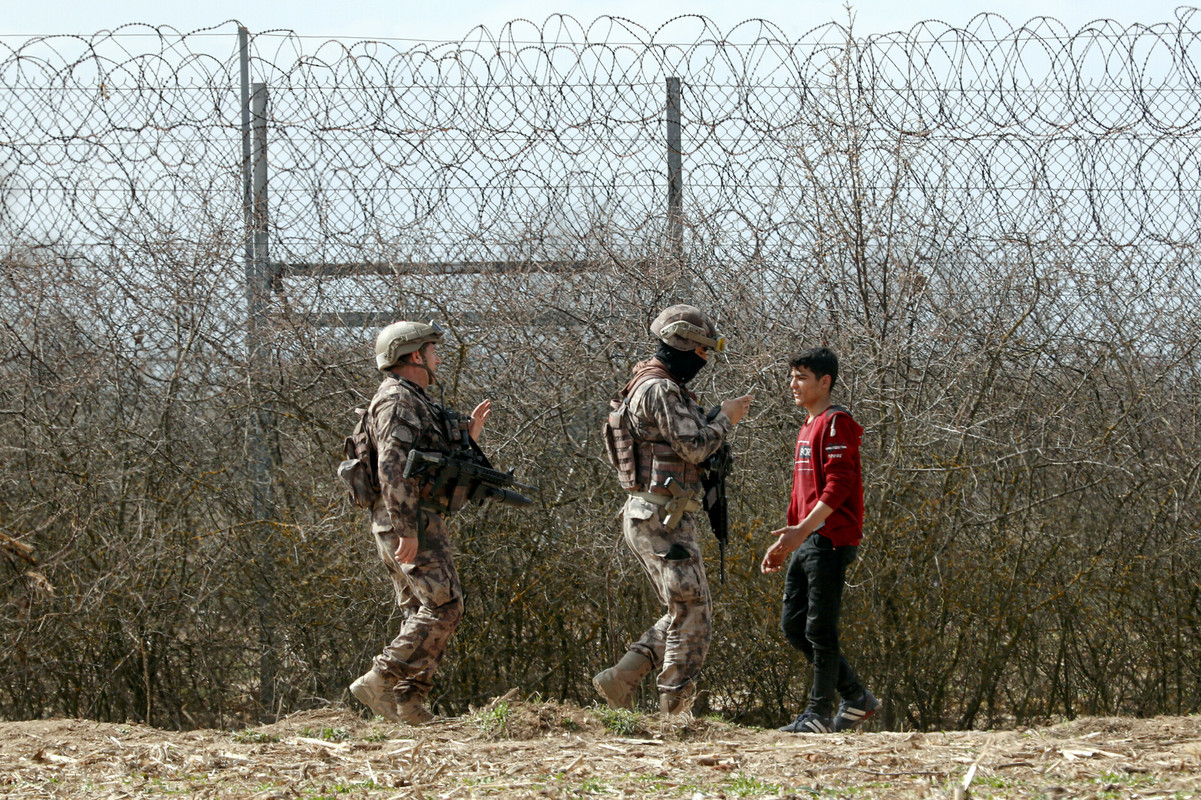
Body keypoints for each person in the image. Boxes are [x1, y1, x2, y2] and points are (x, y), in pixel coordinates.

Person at [595, 304, 754, 715]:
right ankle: (674, 711)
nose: (703, 361)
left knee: (684, 608)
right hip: (660, 517)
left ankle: (623, 679)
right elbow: (695, 446)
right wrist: (727, 420)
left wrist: (714, 416)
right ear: (683, 345)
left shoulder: (652, 384)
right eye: (701, 352)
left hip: (660, 515)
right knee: (693, 612)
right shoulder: (660, 389)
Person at [348, 320, 491, 725]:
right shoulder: (397, 401)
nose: (437, 358)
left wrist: (470, 435)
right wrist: (407, 529)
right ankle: (380, 678)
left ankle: (407, 705)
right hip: (410, 518)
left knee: (419, 611)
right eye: (431, 351)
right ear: (413, 356)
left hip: (407, 516)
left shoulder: (411, 398)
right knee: (444, 607)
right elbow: (391, 468)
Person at [761, 347, 880, 733]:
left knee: (820, 630)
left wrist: (802, 531)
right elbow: (804, 495)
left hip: (829, 539)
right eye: (792, 376)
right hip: (807, 539)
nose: (793, 384)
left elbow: (839, 487)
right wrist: (786, 540)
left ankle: (819, 714)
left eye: (802, 377)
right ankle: (857, 697)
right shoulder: (807, 426)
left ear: (825, 382)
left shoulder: (835, 423)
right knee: (794, 627)